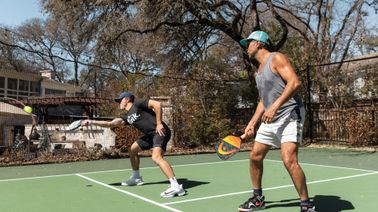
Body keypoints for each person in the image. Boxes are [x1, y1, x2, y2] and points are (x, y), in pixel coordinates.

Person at [237, 31, 316, 212]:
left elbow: (295, 82)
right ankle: (258, 199)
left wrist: (275, 107)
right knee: (255, 156)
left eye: (248, 43)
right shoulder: (258, 72)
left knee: (289, 160)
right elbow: (264, 101)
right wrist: (252, 123)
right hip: (270, 118)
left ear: (258, 44)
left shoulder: (276, 58)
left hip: (290, 114)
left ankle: (306, 206)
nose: (246, 47)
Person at [81, 92, 186, 198]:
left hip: (159, 132)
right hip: (150, 136)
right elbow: (110, 124)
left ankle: (175, 186)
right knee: (132, 150)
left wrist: (159, 123)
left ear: (126, 99)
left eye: (119, 100)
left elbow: (157, 104)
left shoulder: (137, 103)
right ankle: (136, 178)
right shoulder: (127, 116)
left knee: (156, 157)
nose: (118, 103)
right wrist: (91, 122)